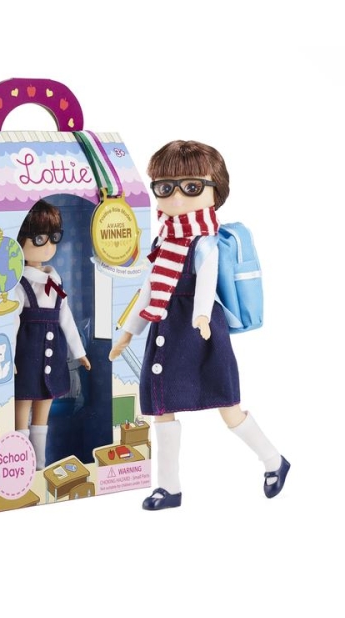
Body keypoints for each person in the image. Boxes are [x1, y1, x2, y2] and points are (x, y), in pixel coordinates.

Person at [109, 140, 290, 510]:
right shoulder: (163, 240)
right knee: (160, 407)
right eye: (165, 187)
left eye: (191, 187)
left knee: (228, 406)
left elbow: (206, 283)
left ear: (215, 191)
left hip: (200, 332)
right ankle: (168, 487)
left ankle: (274, 460)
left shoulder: (206, 243)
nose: (176, 197)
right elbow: (149, 288)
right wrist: (128, 332)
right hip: (166, 327)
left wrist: (202, 318)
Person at [14, 199, 91, 470]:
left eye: (53, 237)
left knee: (43, 410)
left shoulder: (54, 280)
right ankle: (19, 463)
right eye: (39, 238)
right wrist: (9, 357)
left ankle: (39, 464)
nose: (47, 245)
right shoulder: (19, 283)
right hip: (26, 355)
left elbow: (65, 318)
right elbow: (11, 320)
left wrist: (79, 353)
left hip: (53, 355)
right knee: (22, 407)